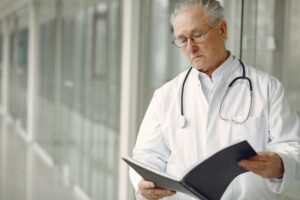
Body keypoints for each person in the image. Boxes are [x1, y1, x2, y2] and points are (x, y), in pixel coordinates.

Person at [129, 0, 300, 199]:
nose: (191, 48)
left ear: (223, 29)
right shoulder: (166, 95)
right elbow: (146, 156)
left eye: (197, 35)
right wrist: (143, 184)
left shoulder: (268, 88)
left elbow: (293, 147)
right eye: (183, 40)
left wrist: (280, 164)